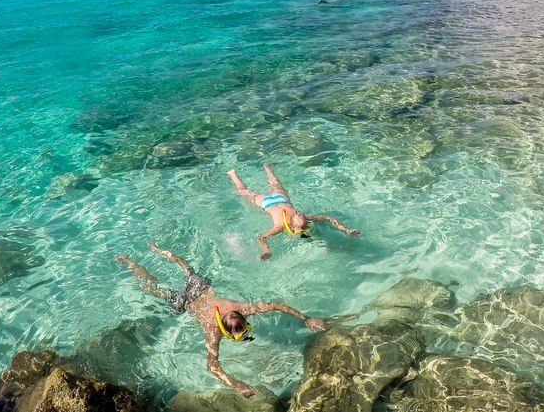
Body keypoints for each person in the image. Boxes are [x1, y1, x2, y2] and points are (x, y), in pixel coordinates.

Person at [115, 242, 325, 397]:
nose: (233, 317)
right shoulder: (242, 308)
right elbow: (276, 306)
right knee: (184, 265)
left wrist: (235, 384)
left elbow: (212, 366)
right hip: (200, 288)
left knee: (152, 286)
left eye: (233, 323)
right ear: (243, 317)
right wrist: (305, 318)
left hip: (184, 302)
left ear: (226, 331)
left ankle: (129, 263)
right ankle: (158, 249)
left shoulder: (212, 330)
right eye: (238, 319)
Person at [227, 163, 360, 260]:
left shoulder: (299, 219)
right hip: (268, 204)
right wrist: (267, 251)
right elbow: (261, 237)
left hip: (275, 201)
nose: (299, 214)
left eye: (300, 216)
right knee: (265, 187)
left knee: (269, 186)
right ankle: (260, 169)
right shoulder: (280, 226)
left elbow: (327, 218)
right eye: (300, 216)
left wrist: (346, 230)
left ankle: (256, 169)